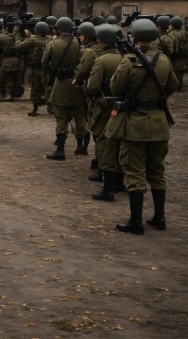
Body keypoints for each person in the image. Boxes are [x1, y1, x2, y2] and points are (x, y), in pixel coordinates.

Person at [105, 19, 177, 234]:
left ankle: (136, 221)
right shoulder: (164, 60)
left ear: (133, 36)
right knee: (157, 171)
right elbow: (173, 86)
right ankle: (159, 218)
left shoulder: (128, 61)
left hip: (135, 124)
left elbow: (115, 87)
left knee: (134, 172)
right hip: (159, 123)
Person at [85, 24, 123, 201]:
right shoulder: (125, 58)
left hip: (105, 106)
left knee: (103, 141)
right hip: (122, 106)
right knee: (120, 142)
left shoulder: (102, 60)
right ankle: (120, 181)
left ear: (100, 40)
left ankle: (108, 185)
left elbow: (92, 87)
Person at [42, 17, 85, 160]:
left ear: (59, 29)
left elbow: (44, 61)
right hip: (75, 82)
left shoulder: (53, 43)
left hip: (60, 83)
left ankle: (60, 149)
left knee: (61, 117)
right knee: (79, 116)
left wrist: (53, 68)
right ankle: (80, 146)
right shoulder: (77, 43)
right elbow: (81, 60)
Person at [73, 21, 102, 173]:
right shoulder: (106, 50)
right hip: (107, 93)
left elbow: (83, 70)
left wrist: (76, 79)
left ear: (87, 36)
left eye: (81, 35)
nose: (79, 37)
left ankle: (96, 157)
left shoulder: (89, 52)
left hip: (92, 91)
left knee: (90, 121)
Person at [16, 21, 49, 116]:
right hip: (47, 68)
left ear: (37, 31)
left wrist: (19, 34)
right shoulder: (51, 40)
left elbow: (19, 46)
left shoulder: (32, 40)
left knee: (35, 88)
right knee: (47, 87)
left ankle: (35, 108)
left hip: (36, 67)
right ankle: (50, 104)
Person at [0, 24, 23, 102]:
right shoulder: (19, 38)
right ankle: (16, 93)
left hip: (6, 61)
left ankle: (7, 95)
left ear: (6, 28)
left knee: (1, 79)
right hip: (18, 61)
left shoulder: (1, 37)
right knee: (16, 79)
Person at [168, 16, 187, 90]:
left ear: (172, 25)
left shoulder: (172, 34)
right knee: (180, 74)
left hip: (175, 59)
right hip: (183, 59)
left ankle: (177, 86)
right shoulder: (184, 33)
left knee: (175, 75)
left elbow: (171, 49)